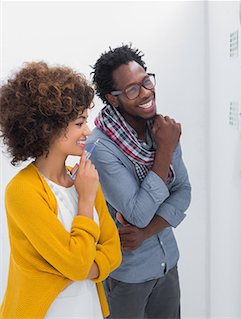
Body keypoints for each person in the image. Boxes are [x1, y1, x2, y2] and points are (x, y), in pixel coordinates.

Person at [0, 62, 122, 318]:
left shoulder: (83, 177)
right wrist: (86, 200)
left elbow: (114, 250)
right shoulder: (22, 191)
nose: (88, 132)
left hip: (89, 310)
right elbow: (78, 265)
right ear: (49, 128)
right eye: (79, 123)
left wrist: (76, 266)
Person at [89, 44, 191, 318]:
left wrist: (145, 233)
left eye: (146, 81)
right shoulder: (99, 147)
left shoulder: (161, 128)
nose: (146, 92)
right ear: (113, 99)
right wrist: (165, 151)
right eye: (133, 89)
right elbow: (137, 212)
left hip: (167, 264)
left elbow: (183, 192)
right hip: (128, 277)